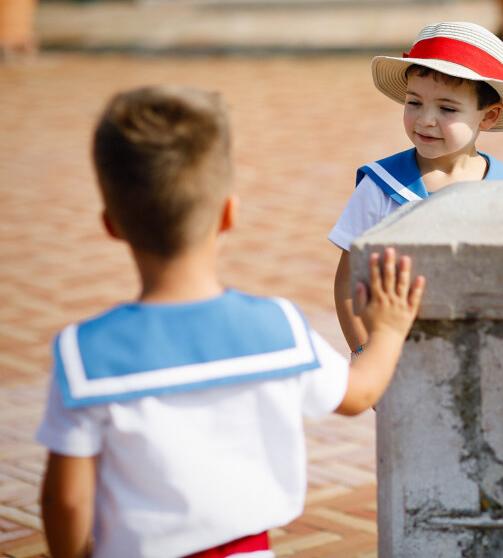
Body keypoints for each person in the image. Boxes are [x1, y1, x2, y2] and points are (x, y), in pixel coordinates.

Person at [36, 85, 425, 558]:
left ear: (111, 225)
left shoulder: (84, 352)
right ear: (228, 214)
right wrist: (388, 330)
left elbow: (65, 501)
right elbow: (360, 393)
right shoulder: (277, 327)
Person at [328, 21, 503, 356]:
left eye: (447, 108)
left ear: (489, 116)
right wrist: (365, 352)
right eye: (414, 103)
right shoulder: (380, 186)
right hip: (396, 360)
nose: (425, 119)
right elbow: (349, 282)